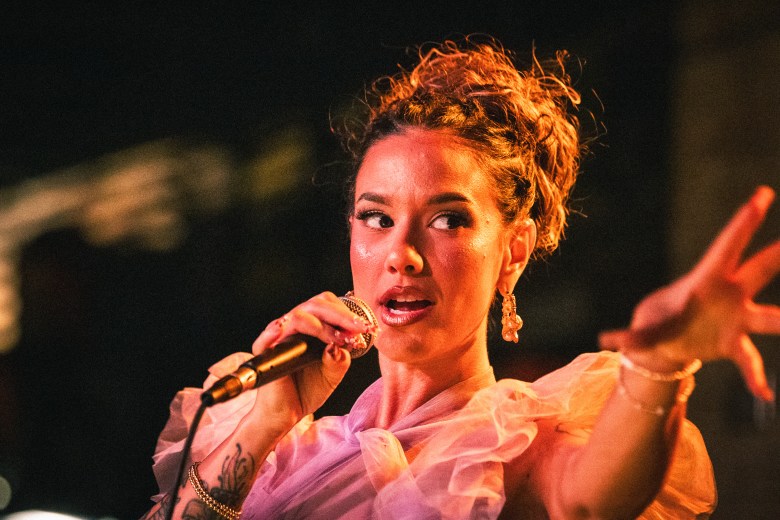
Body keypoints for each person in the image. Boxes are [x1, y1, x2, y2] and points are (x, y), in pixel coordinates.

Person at [143, 38, 779, 519]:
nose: (402, 254)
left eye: (446, 219)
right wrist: (263, 423)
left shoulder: (508, 446)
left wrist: (661, 363)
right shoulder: (280, 448)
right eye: (376, 217)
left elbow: (589, 500)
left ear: (515, 251)